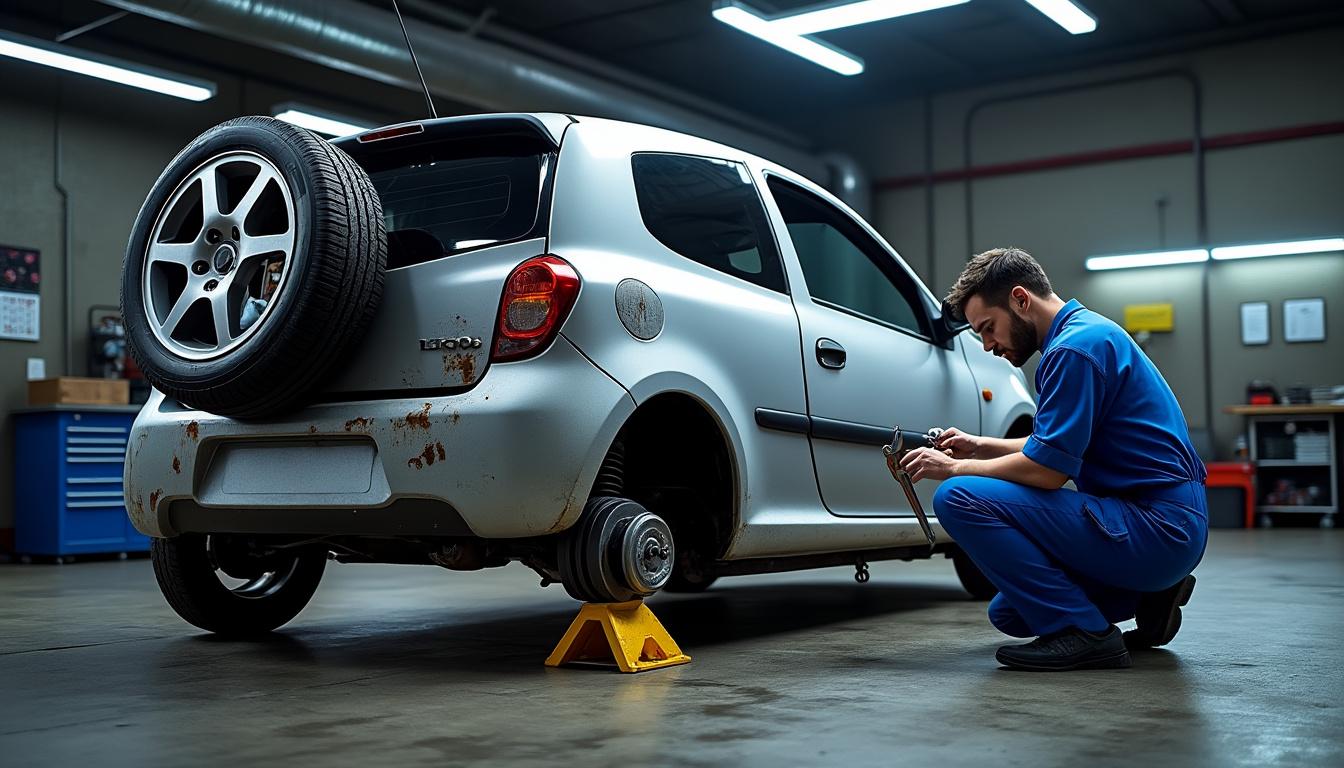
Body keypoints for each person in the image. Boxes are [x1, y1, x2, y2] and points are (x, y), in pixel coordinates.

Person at [899, 247, 1207, 671]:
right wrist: (980, 445)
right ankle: (1150, 596)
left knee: (958, 497)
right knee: (1009, 612)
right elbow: (1052, 444)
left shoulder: (1073, 352)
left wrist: (954, 468)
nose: (988, 345)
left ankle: (1088, 634)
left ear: (1021, 300)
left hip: (1156, 526)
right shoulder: (1086, 334)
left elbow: (1046, 472)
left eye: (988, 328)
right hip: (1167, 527)